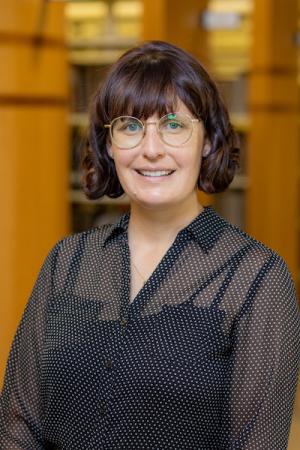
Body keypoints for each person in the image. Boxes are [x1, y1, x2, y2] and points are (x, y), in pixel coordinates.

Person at [0, 40, 299, 450]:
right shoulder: (66, 263)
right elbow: (19, 424)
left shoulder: (256, 279)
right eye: (130, 126)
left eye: (174, 125)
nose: (151, 149)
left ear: (208, 141)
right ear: (109, 145)